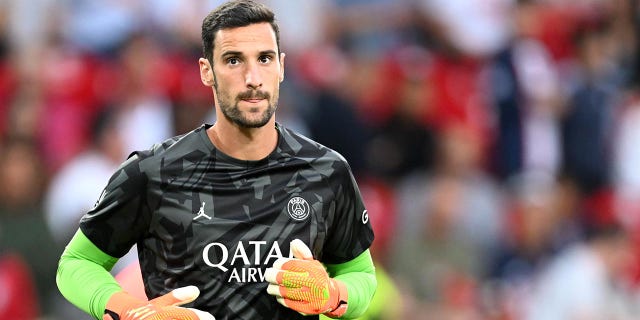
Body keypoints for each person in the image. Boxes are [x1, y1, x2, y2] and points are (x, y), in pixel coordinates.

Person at [55, 1, 377, 320]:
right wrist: (132, 312)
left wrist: (333, 295)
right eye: (234, 60)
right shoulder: (152, 172)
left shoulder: (326, 170)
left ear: (280, 67)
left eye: (264, 59)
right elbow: (76, 265)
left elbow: (360, 275)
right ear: (206, 71)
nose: (253, 77)